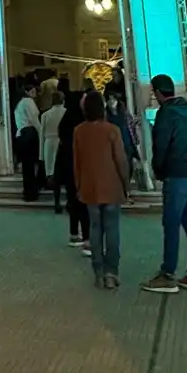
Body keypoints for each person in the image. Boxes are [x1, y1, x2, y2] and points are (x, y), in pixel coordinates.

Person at [142, 75, 187, 294]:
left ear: (158, 92)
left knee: (171, 223)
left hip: (176, 173)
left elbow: (161, 146)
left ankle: (168, 274)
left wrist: (157, 170)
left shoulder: (166, 114)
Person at [73, 90, 129, 288]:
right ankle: (111, 273)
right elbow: (120, 160)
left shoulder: (79, 131)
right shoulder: (112, 130)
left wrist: (79, 185)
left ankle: (98, 272)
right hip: (111, 186)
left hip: (90, 188)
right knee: (112, 230)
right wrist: (126, 183)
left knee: (95, 230)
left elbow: (77, 162)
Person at [54, 91, 90, 249]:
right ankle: (87, 236)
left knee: (73, 200)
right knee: (83, 202)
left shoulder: (66, 120)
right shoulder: (82, 123)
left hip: (68, 166)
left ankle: (74, 234)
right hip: (80, 165)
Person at [13, 81, 42, 201]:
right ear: (27, 92)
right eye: (33, 92)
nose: (35, 94)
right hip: (29, 134)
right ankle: (32, 192)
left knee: (27, 166)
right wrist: (41, 133)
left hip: (21, 135)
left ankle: (28, 192)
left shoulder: (20, 103)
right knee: (31, 165)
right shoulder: (28, 102)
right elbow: (34, 119)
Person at [40, 90, 66, 198]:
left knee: (51, 170)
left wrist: (41, 154)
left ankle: (56, 199)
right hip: (62, 142)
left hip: (49, 142)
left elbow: (41, 134)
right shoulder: (66, 112)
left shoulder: (45, 115)